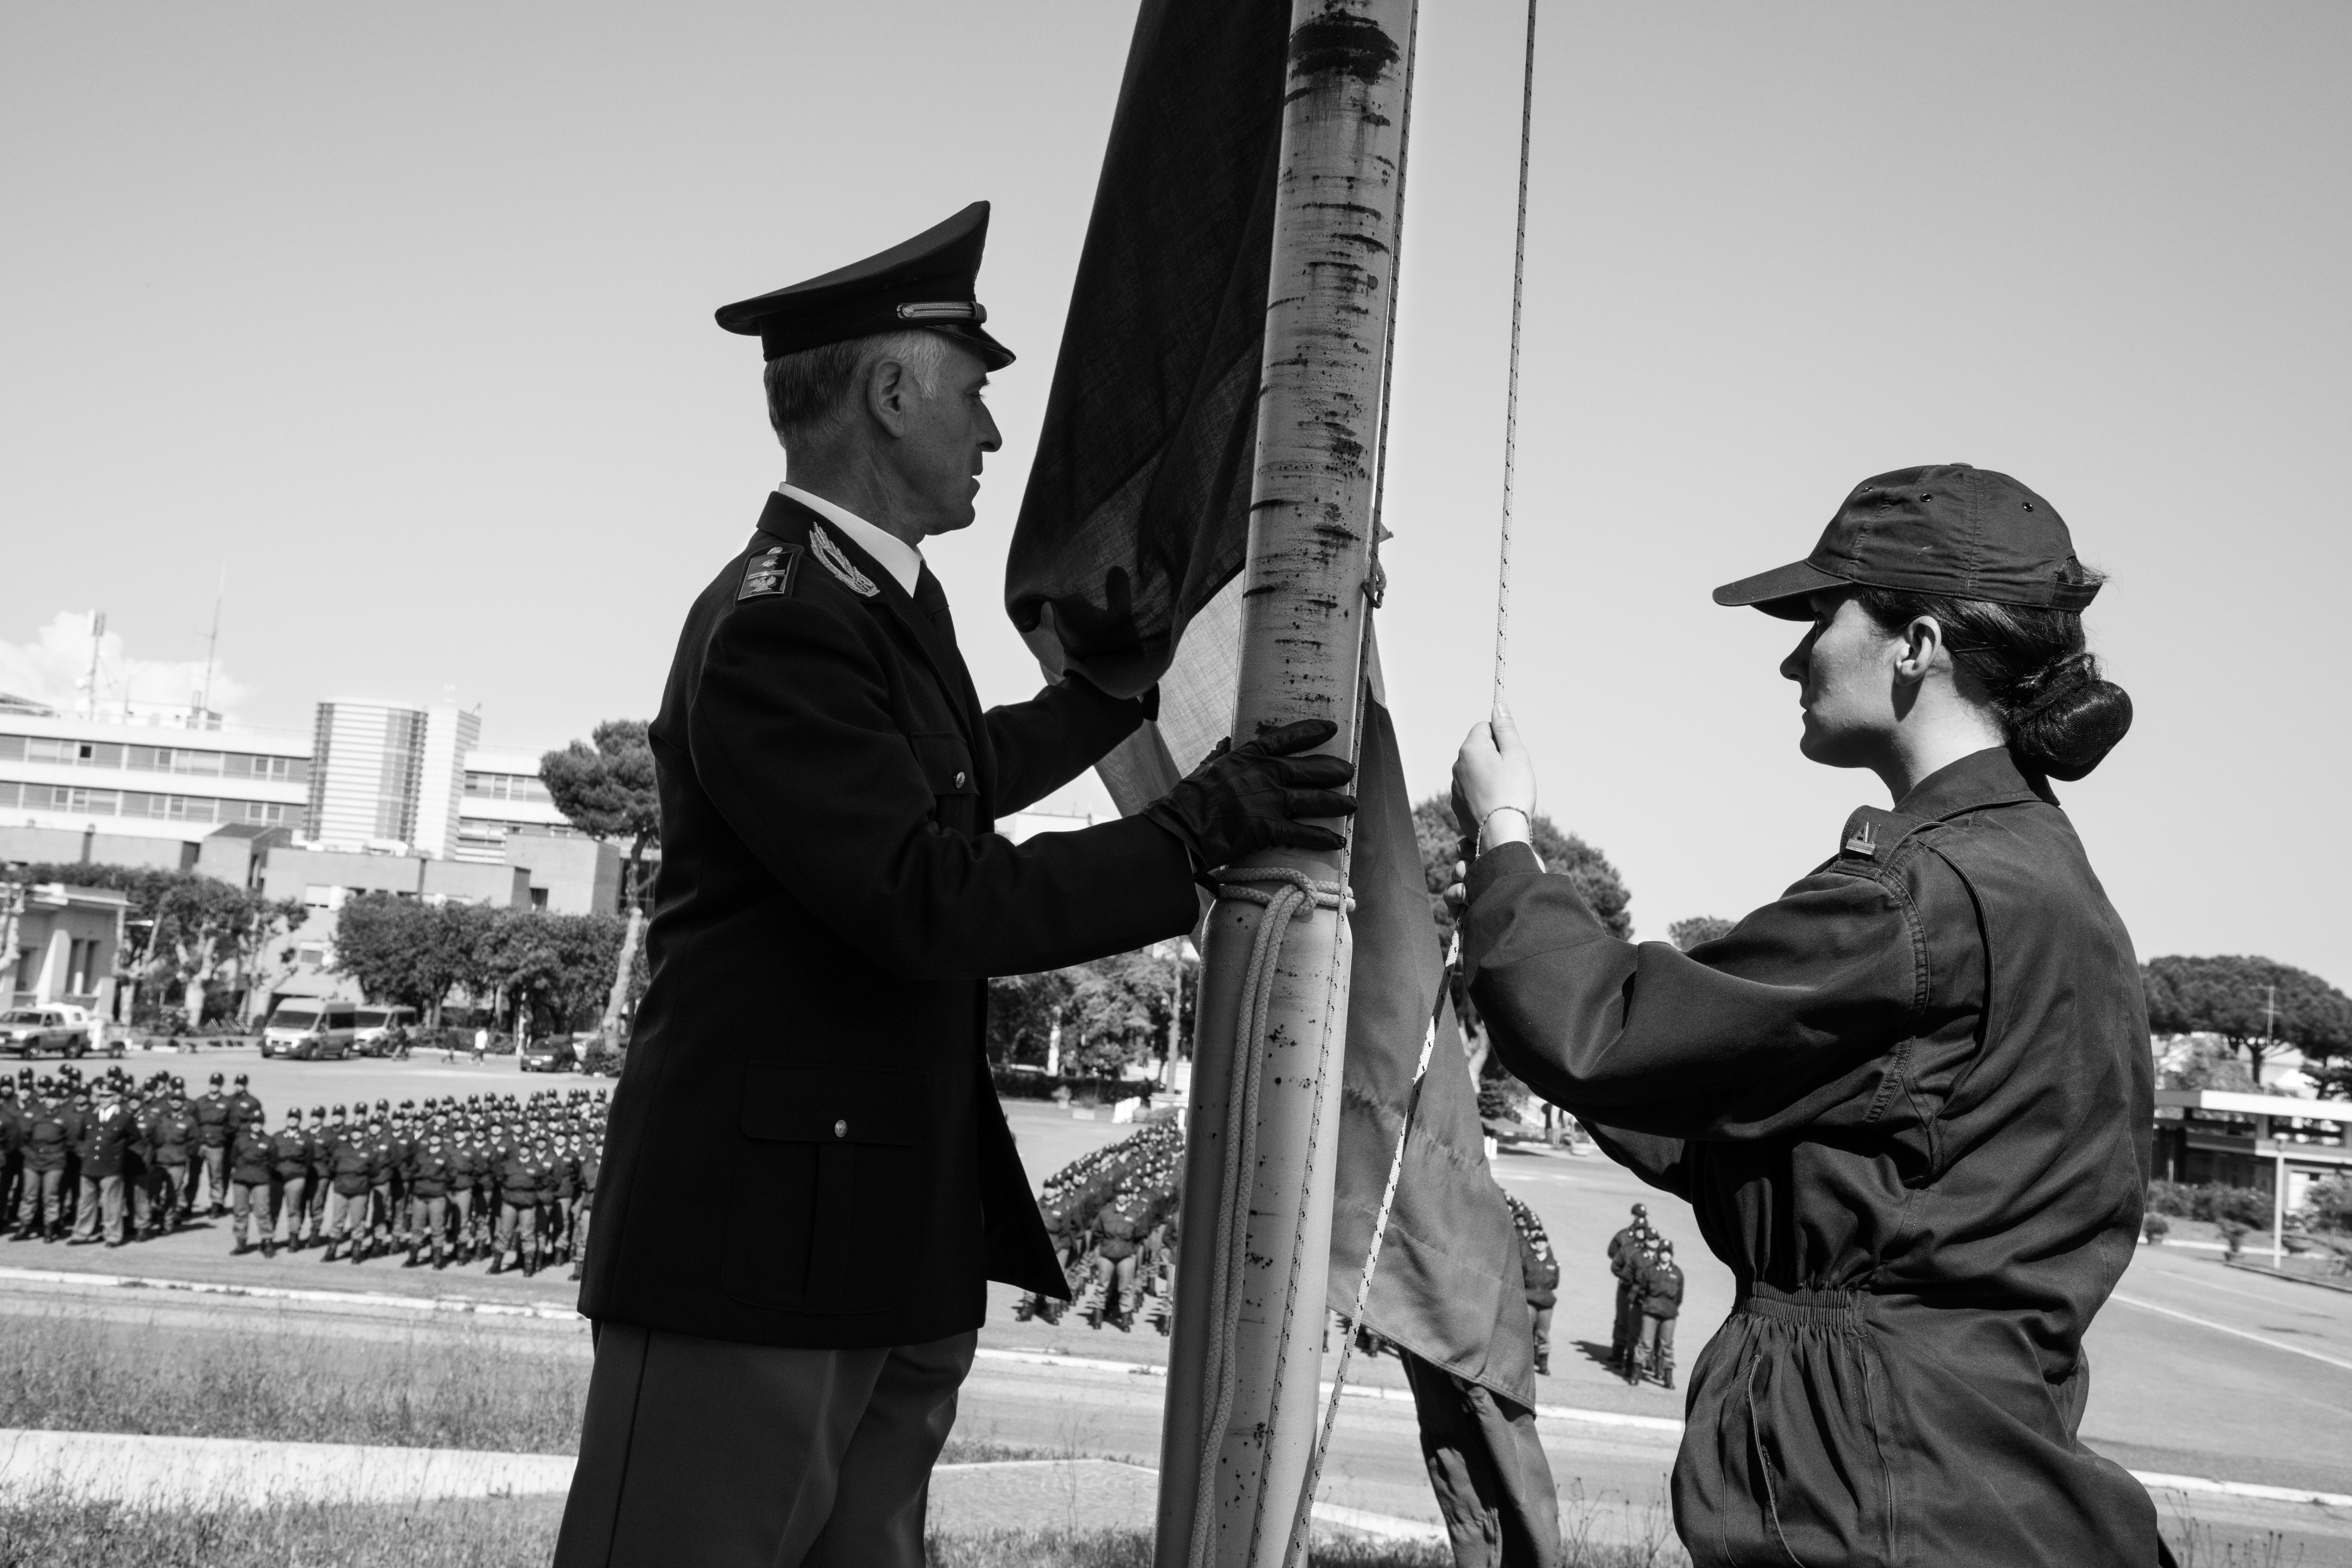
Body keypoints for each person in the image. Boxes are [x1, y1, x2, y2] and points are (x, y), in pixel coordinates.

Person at [556, 202, 1355, 1568]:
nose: (993, 432)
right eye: (977, 393)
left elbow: (951, 776)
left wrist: (1117, 696)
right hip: (755, 1258)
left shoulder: (871, 600)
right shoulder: (781, 620)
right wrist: (1193, 835)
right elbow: (926, 893)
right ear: (888, 390)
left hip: (873, 1238)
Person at [1449, 465, 2159, 1565]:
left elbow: (1609, 1027)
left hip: (1876, 1482)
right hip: (1963, 1470)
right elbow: (1730, 1120)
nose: (1792, 654)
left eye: (1821, 615)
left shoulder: (1921, 897)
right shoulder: (2036, 874)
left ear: (1915, 641)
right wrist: (1527, 969)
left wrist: (1502, 841)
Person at [1635, 1239, 1683, 1390]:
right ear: (1659, 1254)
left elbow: (1679, 1297)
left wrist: (1670, 1308)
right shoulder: (1650, 1271)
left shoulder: (1677, 1273)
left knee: (1667, 1346)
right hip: (1651, 1312)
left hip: (1669, 1315)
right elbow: (1642, 1291)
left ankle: (1668, 1378)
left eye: (1668, 1252)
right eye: (1663, 1252)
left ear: (1672, 1255)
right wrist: (1649, 1305)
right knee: (1646, 1343)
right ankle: (1635, 1375)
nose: (1665, 1255)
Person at [226, 1107, 273, 1255]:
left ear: (262, 1124)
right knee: (240, 1212)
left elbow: (274, 1161)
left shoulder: (268, 1141)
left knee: (263, 1212)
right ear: (250, 1124)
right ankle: (241, 1242)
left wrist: (261, 1168)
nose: (256, 1125)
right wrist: (243, 1166)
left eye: (259, 1123)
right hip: (241, 1180)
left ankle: (267, 1242)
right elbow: (232, 1159)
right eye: (254, 1122)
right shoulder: (240, 1139)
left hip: (261, 1181)